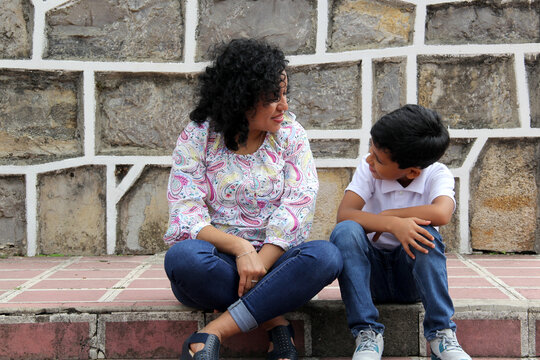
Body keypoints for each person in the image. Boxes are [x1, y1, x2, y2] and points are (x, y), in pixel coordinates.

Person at [163, 38, 343, 360]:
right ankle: (274, 319)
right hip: (218, 260)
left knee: (326, 257)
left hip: (274, 261)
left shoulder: (290, 134)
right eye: (273, 97)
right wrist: (241, 249)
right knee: (184, 260)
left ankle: (213, 332)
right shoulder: (200, 135)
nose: (284, 106)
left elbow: (298, 205)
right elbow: (185, 210)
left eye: (285, 94)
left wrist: (259, 262)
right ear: (242, 97)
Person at [330, 104, 471, 360]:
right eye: (371, 150)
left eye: (379, 159)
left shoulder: (436, 174)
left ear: (413, 171)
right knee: (346, 231)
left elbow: (442, 213)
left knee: (426, 231)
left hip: (411, 279)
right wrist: (392, 225)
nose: (370, 160)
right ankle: (367, 333)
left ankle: (441, 333)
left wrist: (387, 216)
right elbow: (345, 214)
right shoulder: (369, 168)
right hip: (369, 277)